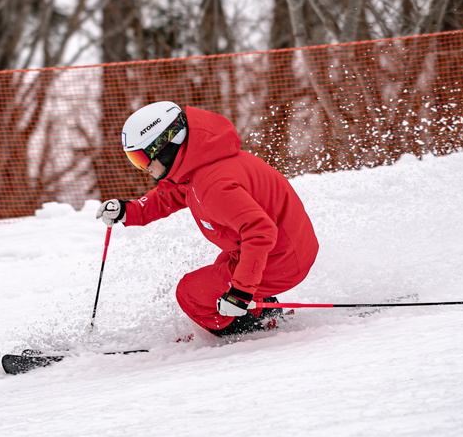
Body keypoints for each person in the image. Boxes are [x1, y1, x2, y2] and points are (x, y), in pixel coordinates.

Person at [96, 101, 319, 336]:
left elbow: (260, 232)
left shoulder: (213, 185)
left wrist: (241, 293)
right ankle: (262, 312)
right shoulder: (200, 164)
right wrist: (130, 210)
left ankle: (249, 333)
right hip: (287, 250)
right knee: (219, 271)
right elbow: (171, 195)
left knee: (192, 293)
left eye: (141, 159)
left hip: (282, 260)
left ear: (166, 146)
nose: (144, 169)